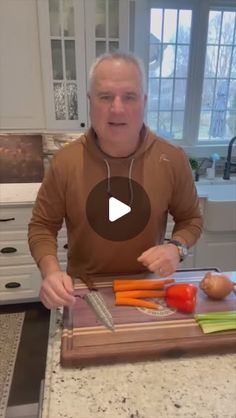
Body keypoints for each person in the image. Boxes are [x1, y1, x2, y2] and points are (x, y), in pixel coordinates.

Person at [28, 52, 203, 309]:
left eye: (129, 96)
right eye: (105, 96)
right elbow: (42, 226)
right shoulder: (65, 162)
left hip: (148, 289)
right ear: (90, 101)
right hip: (83, 291)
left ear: (144, 101)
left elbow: (192, 219)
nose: (117, 108)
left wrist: (176, 248)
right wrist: (51, 272)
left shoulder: (172, 159)